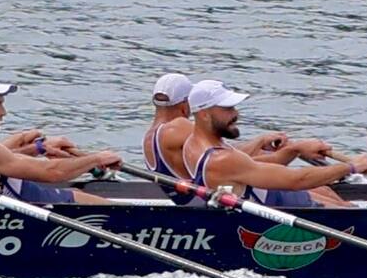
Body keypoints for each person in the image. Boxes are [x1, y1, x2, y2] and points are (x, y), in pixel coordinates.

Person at [144, 73, 343, 205]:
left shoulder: (151, 135)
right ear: (185, 105)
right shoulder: (178, 128)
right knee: (320, 191)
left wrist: (261, 143)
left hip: (199, 193)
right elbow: (223, 157)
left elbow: (225, 155)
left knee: (321, 189)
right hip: (204, 201)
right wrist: (269, 146)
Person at [181, 80, 367, 208]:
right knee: (345, 208)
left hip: (267, 194)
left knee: (324, 189)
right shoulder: (221, 159)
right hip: (277, 211)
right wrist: (351, 167)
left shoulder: (193, 142)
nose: (235, 114)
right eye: (227, 108)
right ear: (204, 115)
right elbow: (296, 180)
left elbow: (249, 165)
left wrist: (294, 149)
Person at [0, 74, 117, 204]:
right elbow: (53, 172)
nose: (3, 112)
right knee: (99, 204)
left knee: (76, 192)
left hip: (32, 198)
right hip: (38, 210)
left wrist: (36, 148)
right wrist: (97, 159)